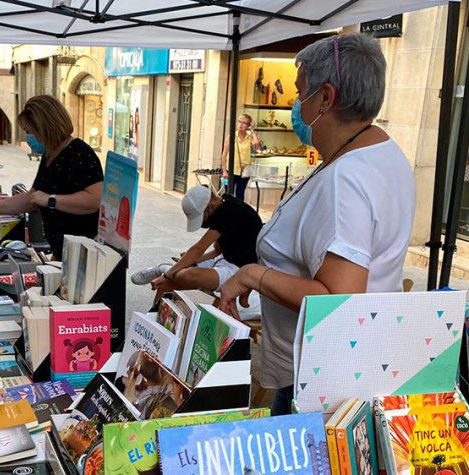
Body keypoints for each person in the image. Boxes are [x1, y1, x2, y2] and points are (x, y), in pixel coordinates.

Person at [219, 33, 415, 416]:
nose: (296, 106)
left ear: (326, 98)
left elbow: (338, 300)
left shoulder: (346, 180)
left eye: (300, 93)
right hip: (354, 370)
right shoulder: (383, 153)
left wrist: (253, 275)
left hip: (318, 385)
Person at [0, 95, 103, 259]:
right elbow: (32, 197)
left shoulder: (79, 153)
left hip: (84, 254)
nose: (27, 138)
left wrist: (51, 200)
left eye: (30, 132)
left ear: (46, 127)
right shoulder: (50, 155)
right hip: (62, 251)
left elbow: (94, 200)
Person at [131, 186, 262, 303]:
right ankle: (155, 323)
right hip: (223, 259)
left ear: (209, 206)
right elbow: (217, 250)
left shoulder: (228, 211)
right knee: (167, 283)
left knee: (183, 275)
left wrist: (169, 273)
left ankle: (163, 269)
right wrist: (192, 260)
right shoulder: (223, 203)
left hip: (240, 270)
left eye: (201, 218)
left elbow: (199, 247)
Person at [220, 113, 260, 200]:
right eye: (239, 121)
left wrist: (253, 130)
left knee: (240, 196)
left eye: (244, 123)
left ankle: (238, 213)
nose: (241, 124)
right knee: (229, 195)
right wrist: (224, 171)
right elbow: (224, 154)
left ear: (248, 125)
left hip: (244, 171)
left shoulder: (249, 137)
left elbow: (257, 145)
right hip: (231, 170)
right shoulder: (232, 136)